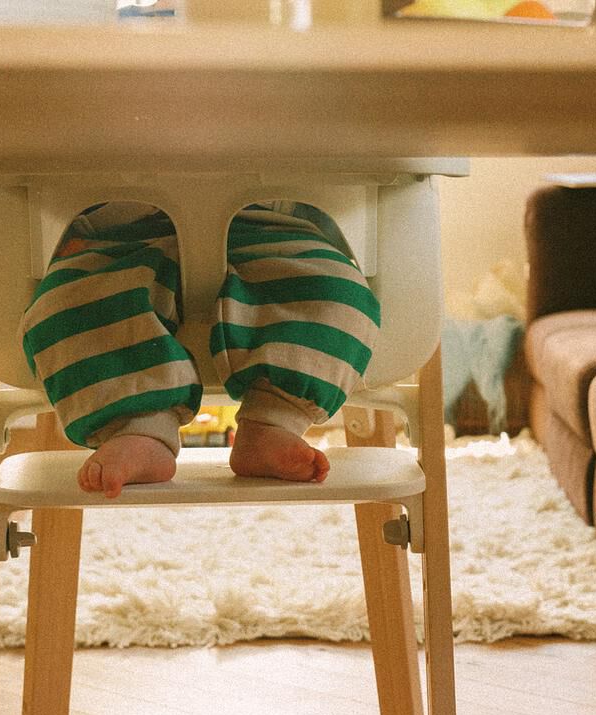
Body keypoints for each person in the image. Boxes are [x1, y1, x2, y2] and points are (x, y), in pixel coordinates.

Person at [19, 199, 378, 496]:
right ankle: (138, 427)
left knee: (340, 297)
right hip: (116, 236)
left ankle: (273, 420)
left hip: (275, 228)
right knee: (64, 308)